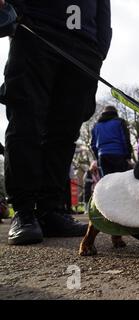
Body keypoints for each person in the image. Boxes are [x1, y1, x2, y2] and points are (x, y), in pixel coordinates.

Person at [1, 0, 112, 245]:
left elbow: (103, 6)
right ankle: (24, 210)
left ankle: (50, 210)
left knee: (65, 131)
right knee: (25, 121)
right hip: (35, 31)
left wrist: (99, 49)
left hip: (84, 47)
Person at [91, 106, 133, 177]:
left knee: (107, 182)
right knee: (120, 180)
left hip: (103, 156)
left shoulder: (96, 126)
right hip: (119, 155)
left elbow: (93, 145)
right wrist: (128, 156)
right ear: (116, 113)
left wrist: (98, 158)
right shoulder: (120, 122)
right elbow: (125, 140)